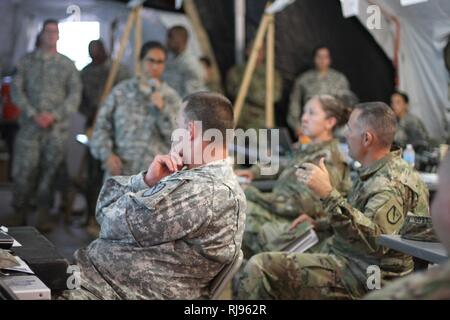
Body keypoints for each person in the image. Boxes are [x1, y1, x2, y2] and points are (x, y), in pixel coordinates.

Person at [61, 92, 246, 299]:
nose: (174, 134)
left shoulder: (204, 192)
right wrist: (147, 181)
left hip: (108, 290)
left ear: (191, 130)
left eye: (178, 125)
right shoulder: (195, 177)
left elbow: (109, 222)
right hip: (99, 281)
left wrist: (141, 187)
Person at [237, 102, 430, 300]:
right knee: (269, 253)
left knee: (260, 268)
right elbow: (362, 218)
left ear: (366, 139)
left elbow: (375, 242)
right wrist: (320, 223)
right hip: (348, 256)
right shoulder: (379, 169)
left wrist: (328, 194)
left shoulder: (389, 183)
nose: (345, 135)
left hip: (366, 275)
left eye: (350, 128)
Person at [235, 95, 351, 256]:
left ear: (329, 122)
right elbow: (285, 164)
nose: (304, 118)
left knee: (237, 214)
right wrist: (253, 172)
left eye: (312, 113)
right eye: (304, 112)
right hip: (278, 213)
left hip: (296, 227)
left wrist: (252, 193)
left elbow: (301, 206)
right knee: (233, 208)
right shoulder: (309, 148)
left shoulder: (328, 160)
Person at [11, 19, 82, 231]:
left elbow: (75, 95)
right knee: (24, 172)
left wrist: (54, 115)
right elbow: (16, 90)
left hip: (55, 130)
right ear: (41, 34)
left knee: (49, 174)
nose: (51, 35)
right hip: (30, 129)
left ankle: (43, 215)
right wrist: (34, 114)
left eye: (55, 31)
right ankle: (20, 213)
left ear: (59, 36)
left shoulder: (67, 65)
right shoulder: (26, 62)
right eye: (48, 31)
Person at [366, 151, 450, 299]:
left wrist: (330, 197)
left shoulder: (390, 180)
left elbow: (374, 240)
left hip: (386, 267)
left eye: (441, 191)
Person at [90, 41, 181, 178]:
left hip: (155, 178)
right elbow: (100, 127)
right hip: (121, 174)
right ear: (140, 61)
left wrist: (163, 110)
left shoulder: (171, 98)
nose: (155, 66)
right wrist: (107, 156)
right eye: (151, 61)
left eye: (160, 62)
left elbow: (179, 139)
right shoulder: (121, 92)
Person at [79, 39, 130, 230]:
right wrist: (89, 113)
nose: (95, 55)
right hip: (94, 125)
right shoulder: (85, 72)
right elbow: (80, 99)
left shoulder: (118, 70)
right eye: (91, 51)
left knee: (111, 175)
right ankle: (90, 214)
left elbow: (126, 96)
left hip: (116, 128)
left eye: (98, 50)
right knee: (91, 174)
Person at [288, 46, 350, 138]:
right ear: (314, 59)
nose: (322, 60)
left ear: (329, 59)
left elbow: (346, 105)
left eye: (325, 57)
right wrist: (298, 128)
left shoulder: (340, 79)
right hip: (310, 128)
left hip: (334, 130)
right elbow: (294, 105)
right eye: (319, 57)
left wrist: (340, 127)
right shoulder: (303, 80)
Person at [226, 42, 282, 130]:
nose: (257, 54)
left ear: (264, 53)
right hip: (240, 118)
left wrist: (249, 92)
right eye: (254, 50)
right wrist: (258, 94)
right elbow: (233, 91)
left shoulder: (272, 74)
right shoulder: (237, 71)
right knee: (235, 143)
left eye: (260, 51)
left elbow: (274, 96)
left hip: (262, 120)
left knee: (264, 142)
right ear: (247, 51)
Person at [163, 25, 205, 98]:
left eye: (170, 37)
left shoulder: (191, 65)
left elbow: (190, 96)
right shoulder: (170, 58)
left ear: (180, 39)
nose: (167, 41)